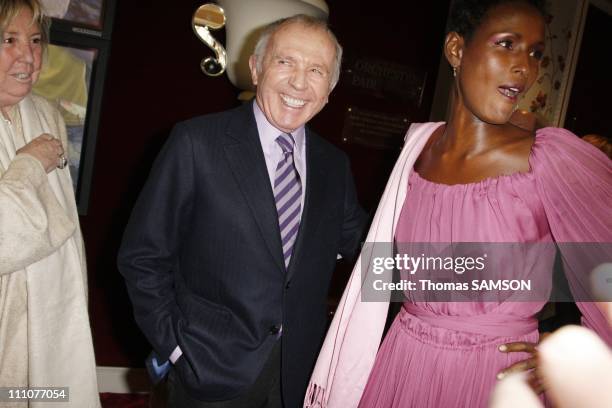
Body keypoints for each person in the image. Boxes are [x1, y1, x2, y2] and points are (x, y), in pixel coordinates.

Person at [305, 1, 612, 407]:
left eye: (536, 53)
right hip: (404, 363)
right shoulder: (417, 150)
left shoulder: (548, 158)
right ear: (456, 49)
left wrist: (570, 355)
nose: (525, 67)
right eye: (507, 44)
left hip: (492, 376)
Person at [118, 14, 367, 408]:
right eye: (285, 62)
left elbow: (368, 253)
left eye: (316, 70)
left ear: (330, 89)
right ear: (256, 67)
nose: (299, 83)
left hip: (296, 378)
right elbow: (142, 258)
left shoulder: (334, 165)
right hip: (208, 373)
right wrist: (177, 349)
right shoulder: (196, 143)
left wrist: (487, 274)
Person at [0, 0, 100, 407]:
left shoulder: (45, 113)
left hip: (53, 324)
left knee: (52, 395)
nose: (28, 55)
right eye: (9, 39)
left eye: (35, 40)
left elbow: (65, 236)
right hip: (6, 334)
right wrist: (28, 165)